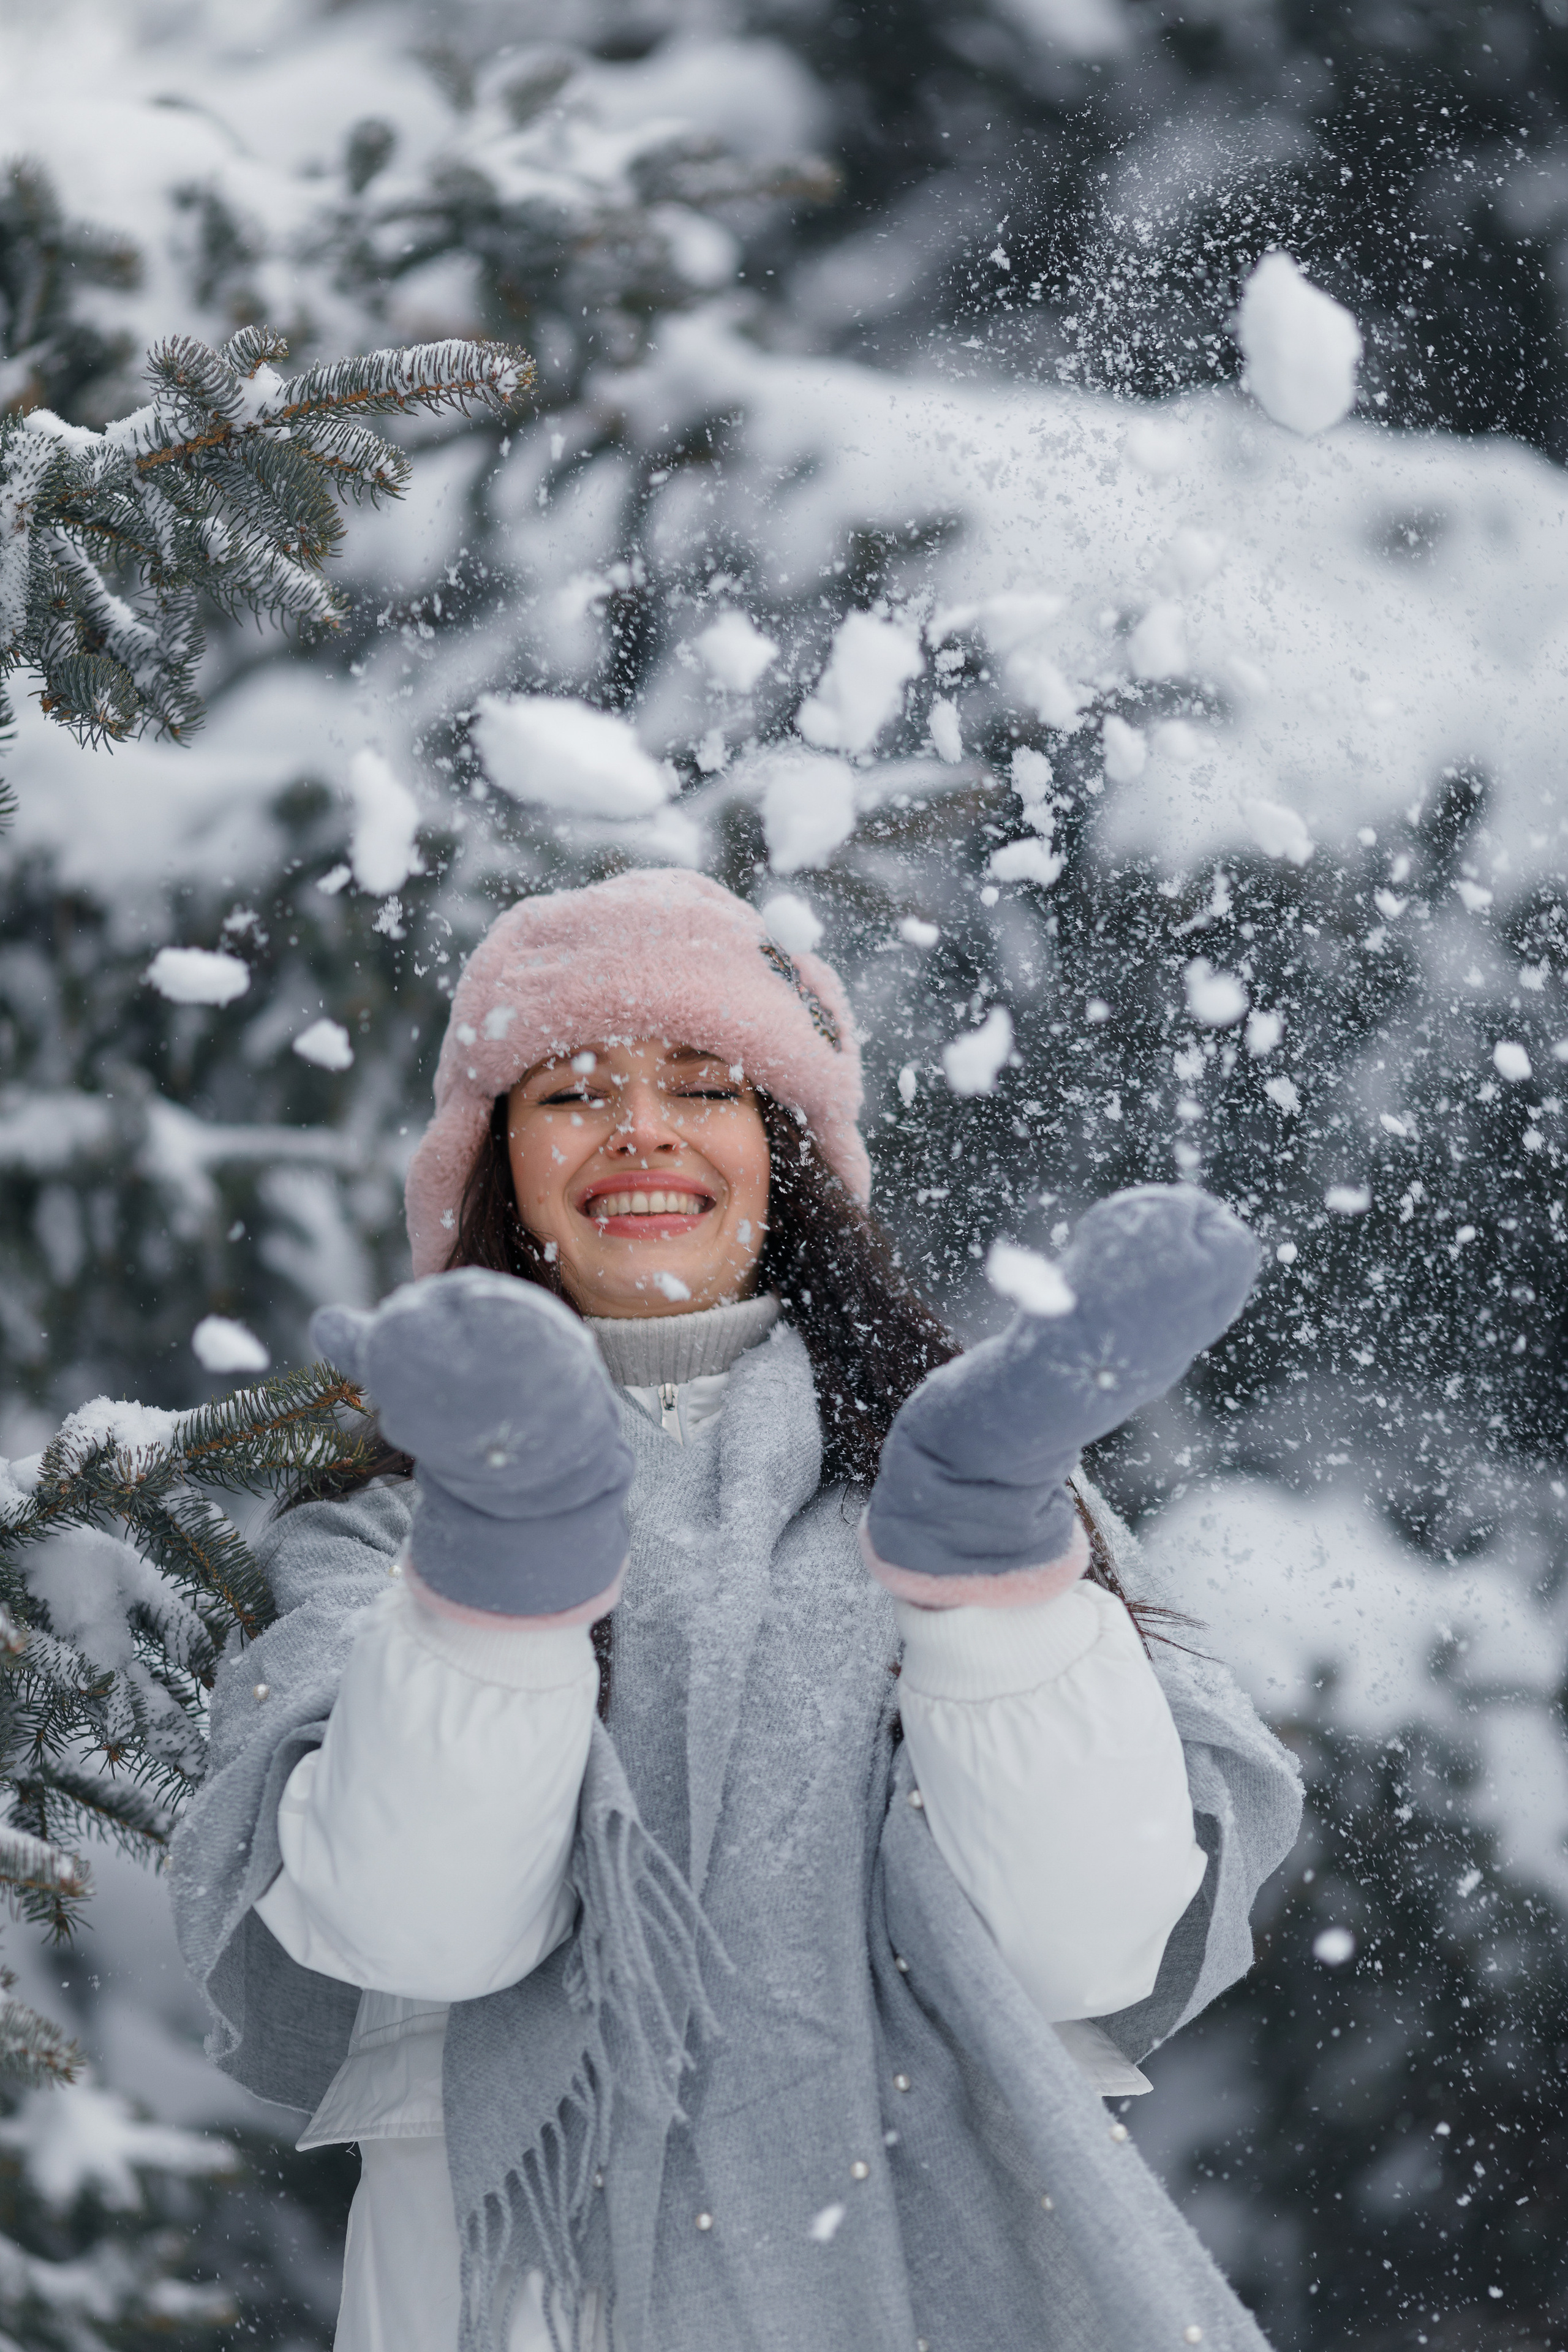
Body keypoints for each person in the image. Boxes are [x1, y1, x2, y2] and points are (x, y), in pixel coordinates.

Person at [172, 867, 1302, 2352]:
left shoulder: (1008, 1480)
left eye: (703, 1084)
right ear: (495, 1169)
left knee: (999, 1623)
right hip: (536, 2299)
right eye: (569, 1093)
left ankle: (973, 1592)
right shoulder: (380, 1538)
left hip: (926, 2273)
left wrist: (988, 1568)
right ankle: (529, 1548)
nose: (640, 1125)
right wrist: (498, 1563)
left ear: (784, 1156)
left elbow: (1076, 1948)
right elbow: (419, 1933)